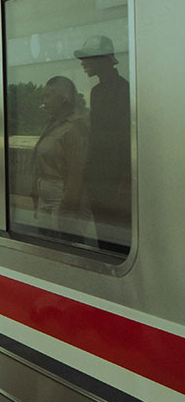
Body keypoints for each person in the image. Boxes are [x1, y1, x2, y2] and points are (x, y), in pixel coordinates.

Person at [74, 35, 131, 253]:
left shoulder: (123, 90)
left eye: (87, 58)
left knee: (117, 239)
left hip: (116, 180)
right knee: (103, 238)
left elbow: (123, 137)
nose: (83, 63)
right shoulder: (97, 92)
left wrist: (125, 181)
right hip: (99, 178)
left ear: (104, 60)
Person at [32, 76, 91, 242]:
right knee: (46, 244)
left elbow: (76, 173)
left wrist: (66, 208)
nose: (44, 101)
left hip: (62, 196)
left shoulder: (75, 128)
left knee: (63, 243)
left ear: (64, 97)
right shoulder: (52, 125)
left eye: (48, 96)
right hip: (45, 193)